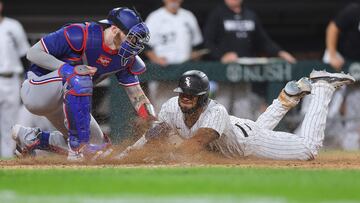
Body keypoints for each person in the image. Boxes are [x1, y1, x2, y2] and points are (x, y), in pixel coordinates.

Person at [11, 7, 156, 160]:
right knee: (80, 76)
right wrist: (68, 69)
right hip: (38, 90)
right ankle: (77, 149)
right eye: (131, 37)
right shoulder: (80, 34)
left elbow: (136, 95)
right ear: (114, 29)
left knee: (100, 150)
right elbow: (33, 53)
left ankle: (33, 138)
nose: (134, 43)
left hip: (68, 100)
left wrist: (154, 121)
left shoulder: (125, 57)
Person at [116, 69, 355, 161]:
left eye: (191, 94)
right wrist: (126, 155)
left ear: (203, 97)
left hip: (249, 142)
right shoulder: (170, 107)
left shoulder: (215, 111)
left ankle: (322, 86)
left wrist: (164, 157)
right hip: (237, 131)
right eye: (182, 94)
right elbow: (155, 133)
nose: (185, 98)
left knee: (309, 149)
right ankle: (287, 97)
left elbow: (196, 143)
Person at [203, 0, 297, 119]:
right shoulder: (217, 14)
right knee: (223, 102)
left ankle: (242, 136)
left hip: (245, 71)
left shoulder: (249, 14)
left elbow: (262, 40)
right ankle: (217, 133)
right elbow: (208, 42)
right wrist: (221, 56)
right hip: (224, 72)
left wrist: (280, 52)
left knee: (243, 106)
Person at [144, 0, 205, 112]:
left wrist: (195, 56)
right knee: (161, 109)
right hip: (162, 71)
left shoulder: (188, 16)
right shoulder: (155, 17)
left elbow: (197, 44)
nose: (174, 1)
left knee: (186, 110)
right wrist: (156, 59)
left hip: (185, 71)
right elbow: (145, 45)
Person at [0, 0, 30, 158]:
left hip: (9, 79)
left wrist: (27, 78)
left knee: (9, 123)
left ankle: (7, 160)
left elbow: (24, 54)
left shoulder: (13, 26)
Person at [324, 2, 360, 71]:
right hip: (340, 58)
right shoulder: (354, 10)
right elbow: (332, 29)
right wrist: (333, 55)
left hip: (356, 63)